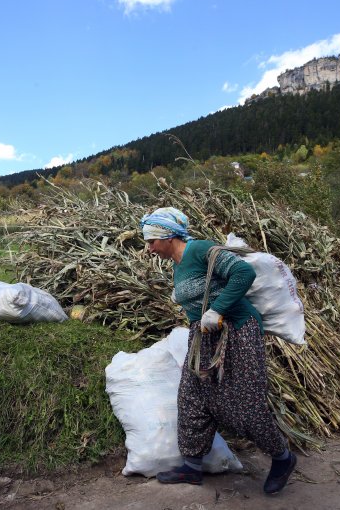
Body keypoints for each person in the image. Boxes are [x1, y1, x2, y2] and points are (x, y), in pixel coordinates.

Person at [140, 207, 297, 495]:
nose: (149, 249)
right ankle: (191, 466)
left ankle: (282, 458)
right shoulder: (176, 264)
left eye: (151, 241)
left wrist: (217, 309)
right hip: (203, 335)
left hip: (237, 330)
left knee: (247, 403)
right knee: (192, 396)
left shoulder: (200, 250)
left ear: (168, 236)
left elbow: (243, 273)